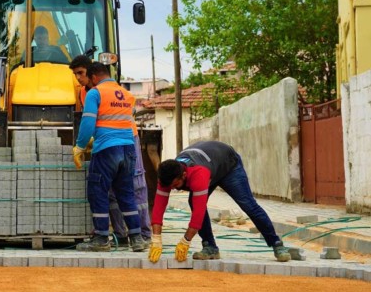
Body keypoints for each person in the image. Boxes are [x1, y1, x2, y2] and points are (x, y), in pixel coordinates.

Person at [147, 140, 292, 263]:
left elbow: (199, 213)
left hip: (228, 166)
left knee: (248, 205)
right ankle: (210, 247)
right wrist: (156, 239)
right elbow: (159, 207)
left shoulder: (198, 174)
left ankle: (276, 244)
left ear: (184, 175)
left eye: (175, 186)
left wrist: (185, 241)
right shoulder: (166, 176)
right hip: (210, 162)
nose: (173, 190)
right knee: (193, 201)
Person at [69, 55, 152, 248]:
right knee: (126, 194)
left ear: (94, 77)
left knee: (97, 190)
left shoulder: (95, 93)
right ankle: (137, 239)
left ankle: (100, 238)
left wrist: (80, 147)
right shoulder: (125, 94)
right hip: (128, 148)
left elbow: (88, 122)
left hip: (107, 149)